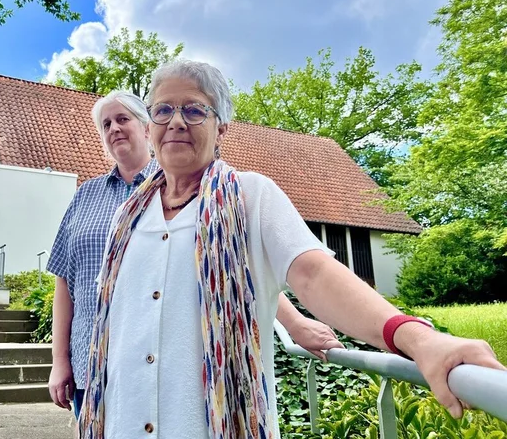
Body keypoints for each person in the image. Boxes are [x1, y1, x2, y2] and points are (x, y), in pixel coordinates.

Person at [79, 61, 506, 439]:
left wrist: (417, 338)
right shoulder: (126, 219)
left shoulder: (251, 196)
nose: (176, 121)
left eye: (194, 110)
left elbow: (314, 274)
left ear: (221, 127)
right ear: (151, 125)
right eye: (163, 110)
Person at [46, 90, 343, 421]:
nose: (114, 128)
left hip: (175, 362)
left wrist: (295, 322)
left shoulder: (193, 187)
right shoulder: (85, 195)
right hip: (94, 360)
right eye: (105, 124)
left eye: (123, 119)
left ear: (147, 128)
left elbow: (237, 269)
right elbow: (65, 279)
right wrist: (60, 360)